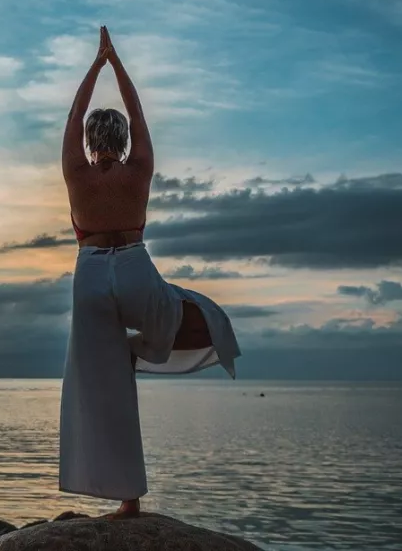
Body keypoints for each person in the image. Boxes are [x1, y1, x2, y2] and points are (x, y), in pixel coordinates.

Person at [58, 26, 242, 518]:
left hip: (92, 274)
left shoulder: (76, 173)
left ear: (90, 141)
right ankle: (147, 350)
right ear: (121, 139)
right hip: (136, 267)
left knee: (102, 385)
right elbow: (137, 113)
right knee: (176, 313)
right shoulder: (138, 168)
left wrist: (93, 65)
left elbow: (74, 115)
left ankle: (124, 493)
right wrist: (116, 62)